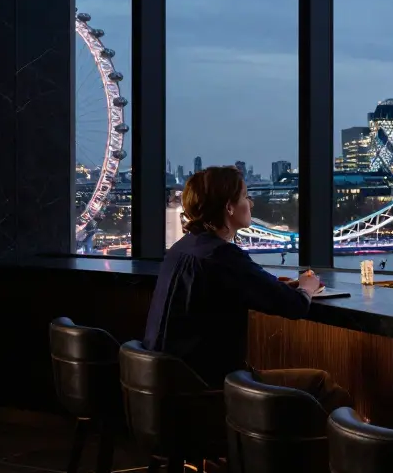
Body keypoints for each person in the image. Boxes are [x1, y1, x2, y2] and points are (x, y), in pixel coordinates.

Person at [144, 166, 352, 411]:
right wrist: (306, 287)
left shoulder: (181, 249)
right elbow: (294, 306)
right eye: (245, 196)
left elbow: (234, 287)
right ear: (229, 207)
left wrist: (277, 287)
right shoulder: (222, 256)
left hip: (167, 389)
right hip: (210, 393)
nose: (250, 203)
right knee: (321, 385)